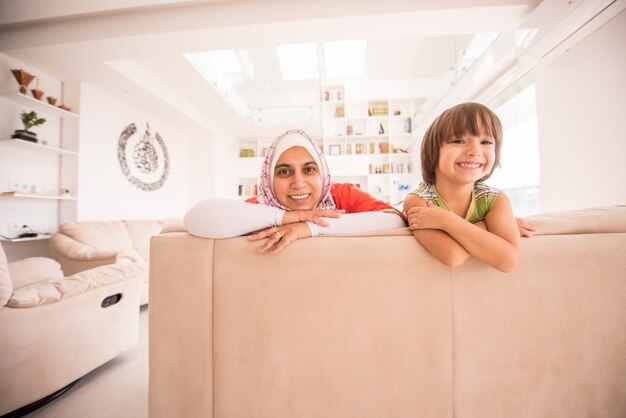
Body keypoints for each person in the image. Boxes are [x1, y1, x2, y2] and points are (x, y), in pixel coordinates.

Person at [184, 129, 407, 255]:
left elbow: (396, 221)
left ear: (323, 173)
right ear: (269, 179)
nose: (298, 183)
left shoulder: (342, 194)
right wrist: (285, 217)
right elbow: (194, 219)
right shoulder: (263, 207)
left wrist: (309, 227)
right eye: (284, 172)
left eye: (309, 169)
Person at [403, 102, 521, 272]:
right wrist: (486, 227)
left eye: (486, 141)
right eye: (459, 140)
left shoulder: (496, 199)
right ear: (434, 151)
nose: (475, 151)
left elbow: (509, 261)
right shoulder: (417, 200)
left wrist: (445, 220)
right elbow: (452, 256)